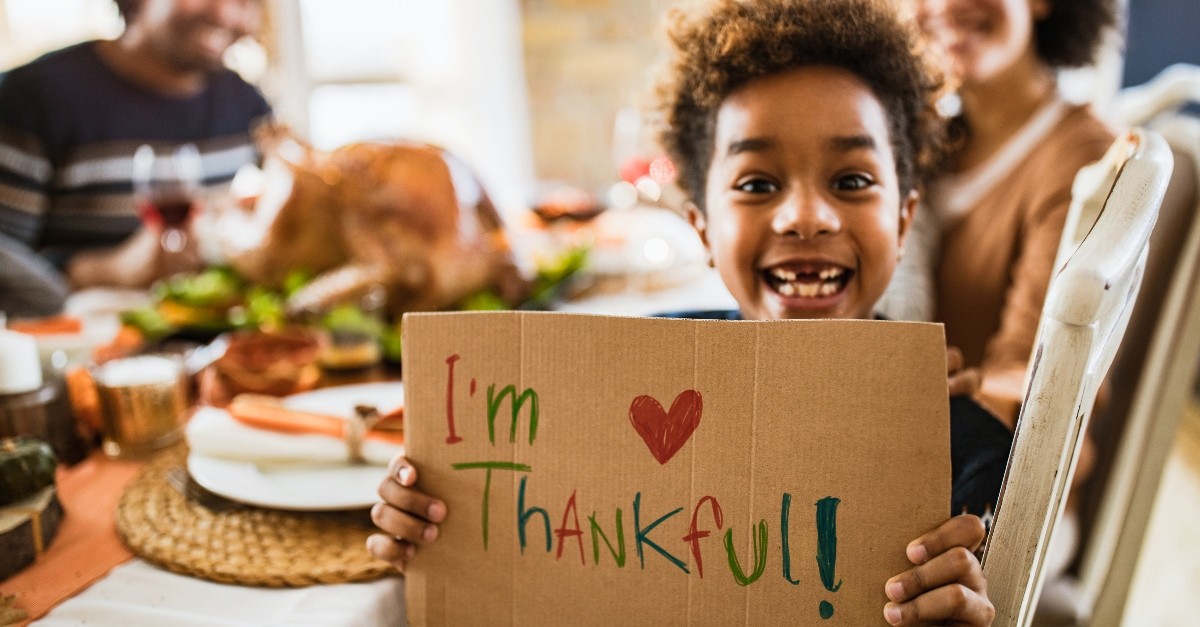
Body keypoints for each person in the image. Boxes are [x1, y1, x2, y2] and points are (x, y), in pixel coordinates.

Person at [370, 1, 1009, 624]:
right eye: (758, 184)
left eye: (851, 181)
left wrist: (969, 604)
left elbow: (991, 591)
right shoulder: (610, 391)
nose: (806, 217)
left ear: (902, 221)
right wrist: (433, 518)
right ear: (700, 229)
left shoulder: (970, 455)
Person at [880, 0, 1118, 426]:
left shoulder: (1087, 164)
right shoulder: (916, 141)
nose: (944, 6)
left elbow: (1035, 377)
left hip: (986, 476)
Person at [0, 0, 270, 291]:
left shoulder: (249, 107)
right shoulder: (29, 101)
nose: (226, 14)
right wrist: (109, 271)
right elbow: (6, 266)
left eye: (246, 1)